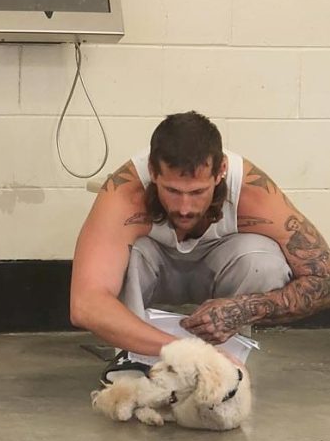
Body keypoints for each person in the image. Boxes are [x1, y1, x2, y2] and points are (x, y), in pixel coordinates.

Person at [70, 111, 330, 382]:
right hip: (152, 271)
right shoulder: (124, 192)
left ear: (221, 172)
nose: (184, 208)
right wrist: (183, 351)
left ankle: (227, 359)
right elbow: (85, 304)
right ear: (152, 171)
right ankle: (134, 358)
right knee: (130, 252)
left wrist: (244, 309)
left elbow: (324, 278)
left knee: (263, 259)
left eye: (197, 192)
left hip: (219, 272)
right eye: (172, 190)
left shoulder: (252, 191)